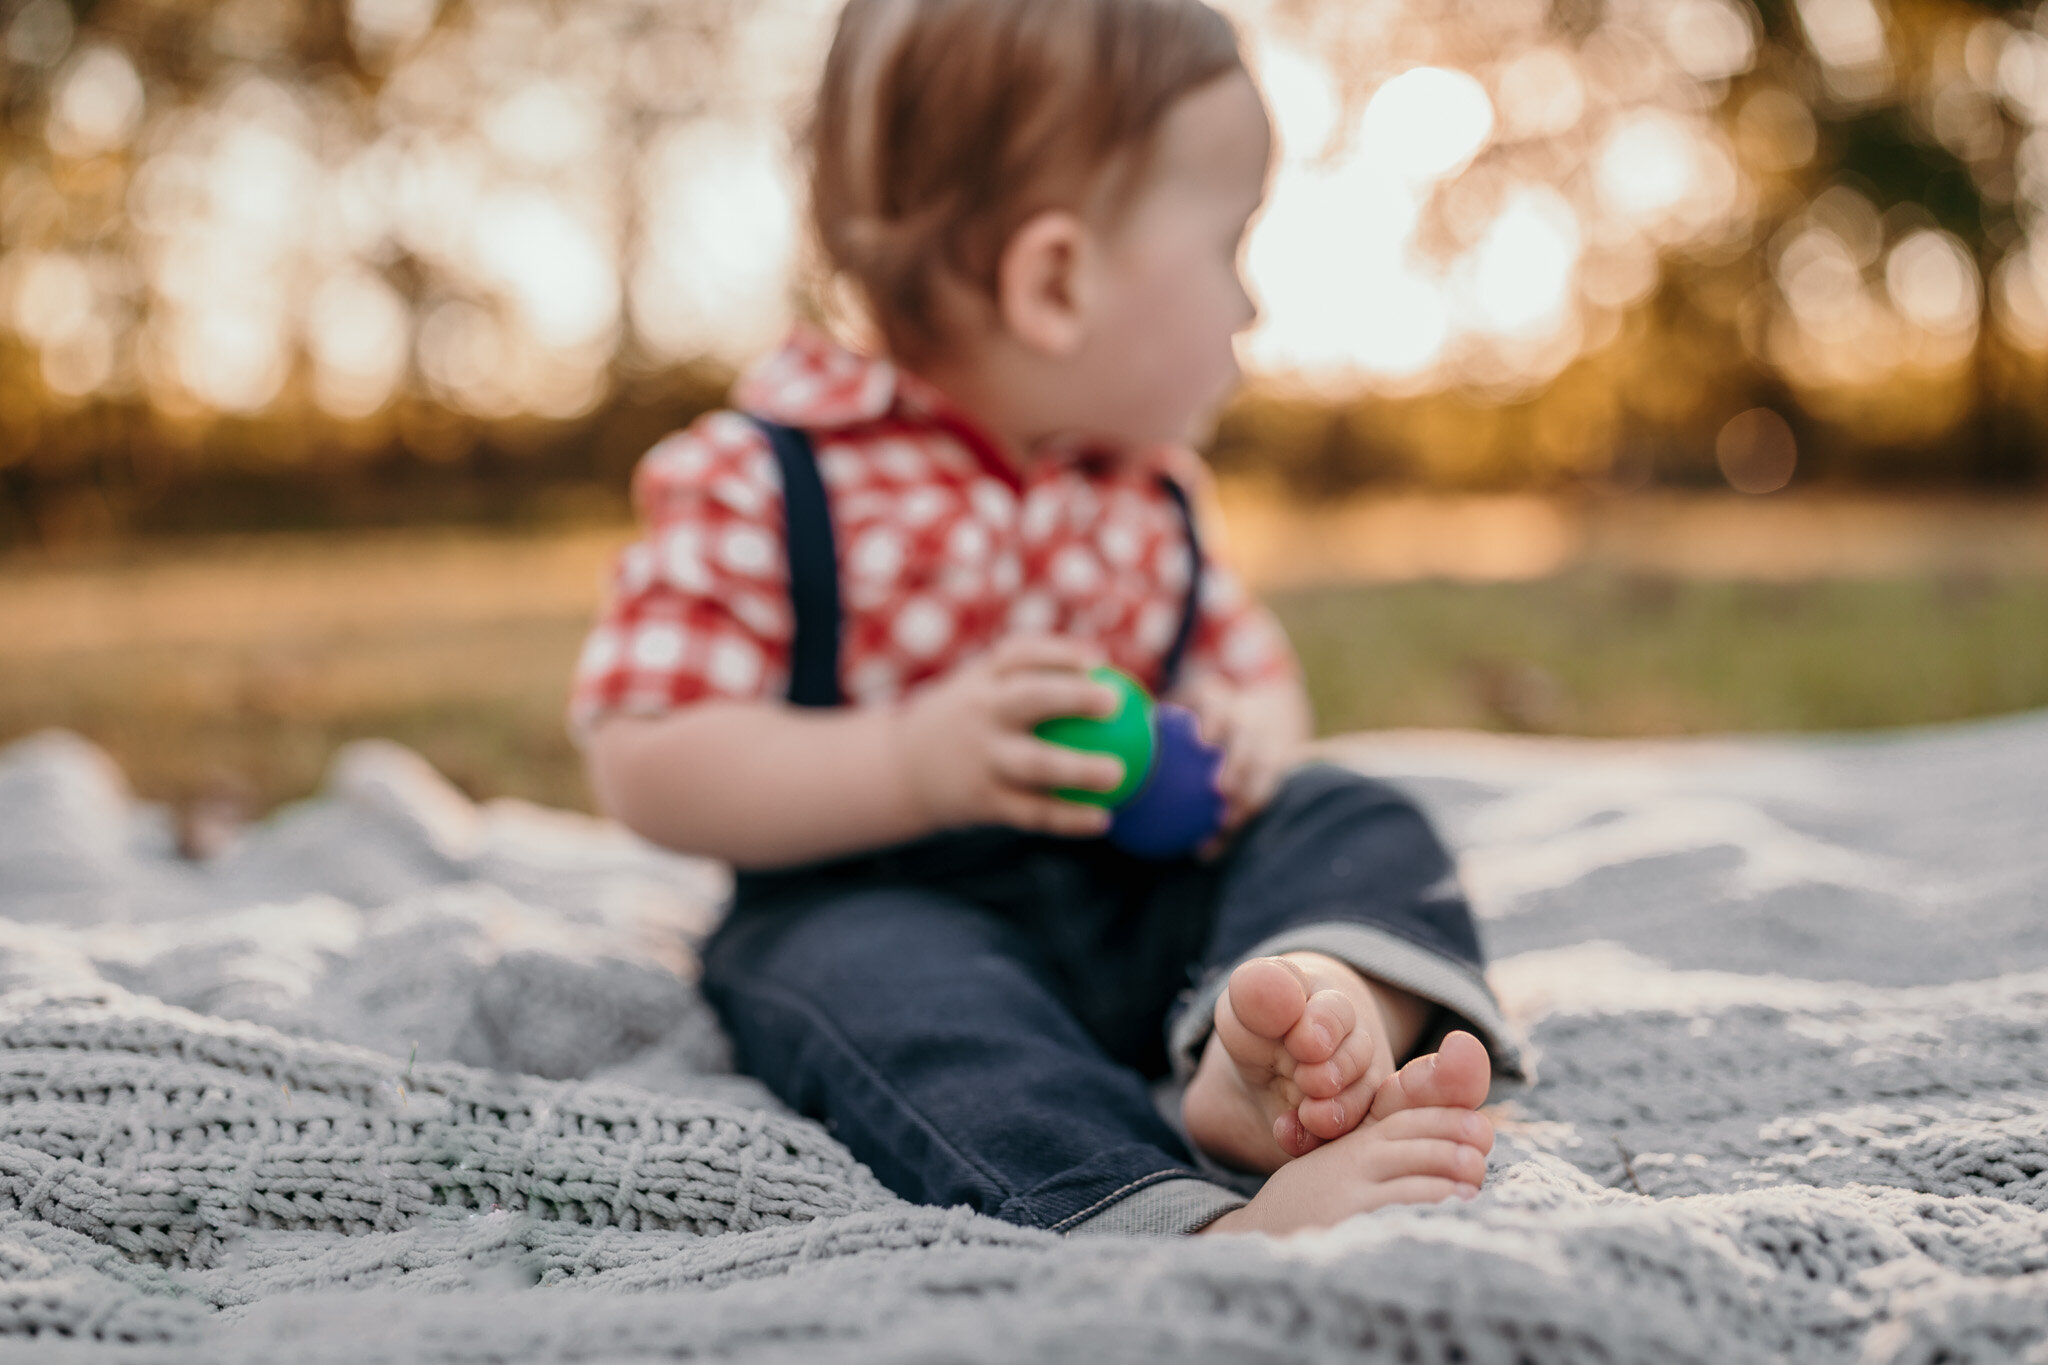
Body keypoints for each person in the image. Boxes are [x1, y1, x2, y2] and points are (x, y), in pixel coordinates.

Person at [571, 0, 1523, 1238]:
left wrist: (1243, 732)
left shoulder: (1147, 492)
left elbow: (1254, 677)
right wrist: (911, 764)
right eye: (1228, 249)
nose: (1251, 308)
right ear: (1053, 280)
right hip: (880, 905)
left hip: (1138, 901)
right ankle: (1157, 1211)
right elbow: (644, 753)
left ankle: (1280, 1018)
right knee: (881, 1001)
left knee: (1349, 812)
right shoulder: (769, 479)